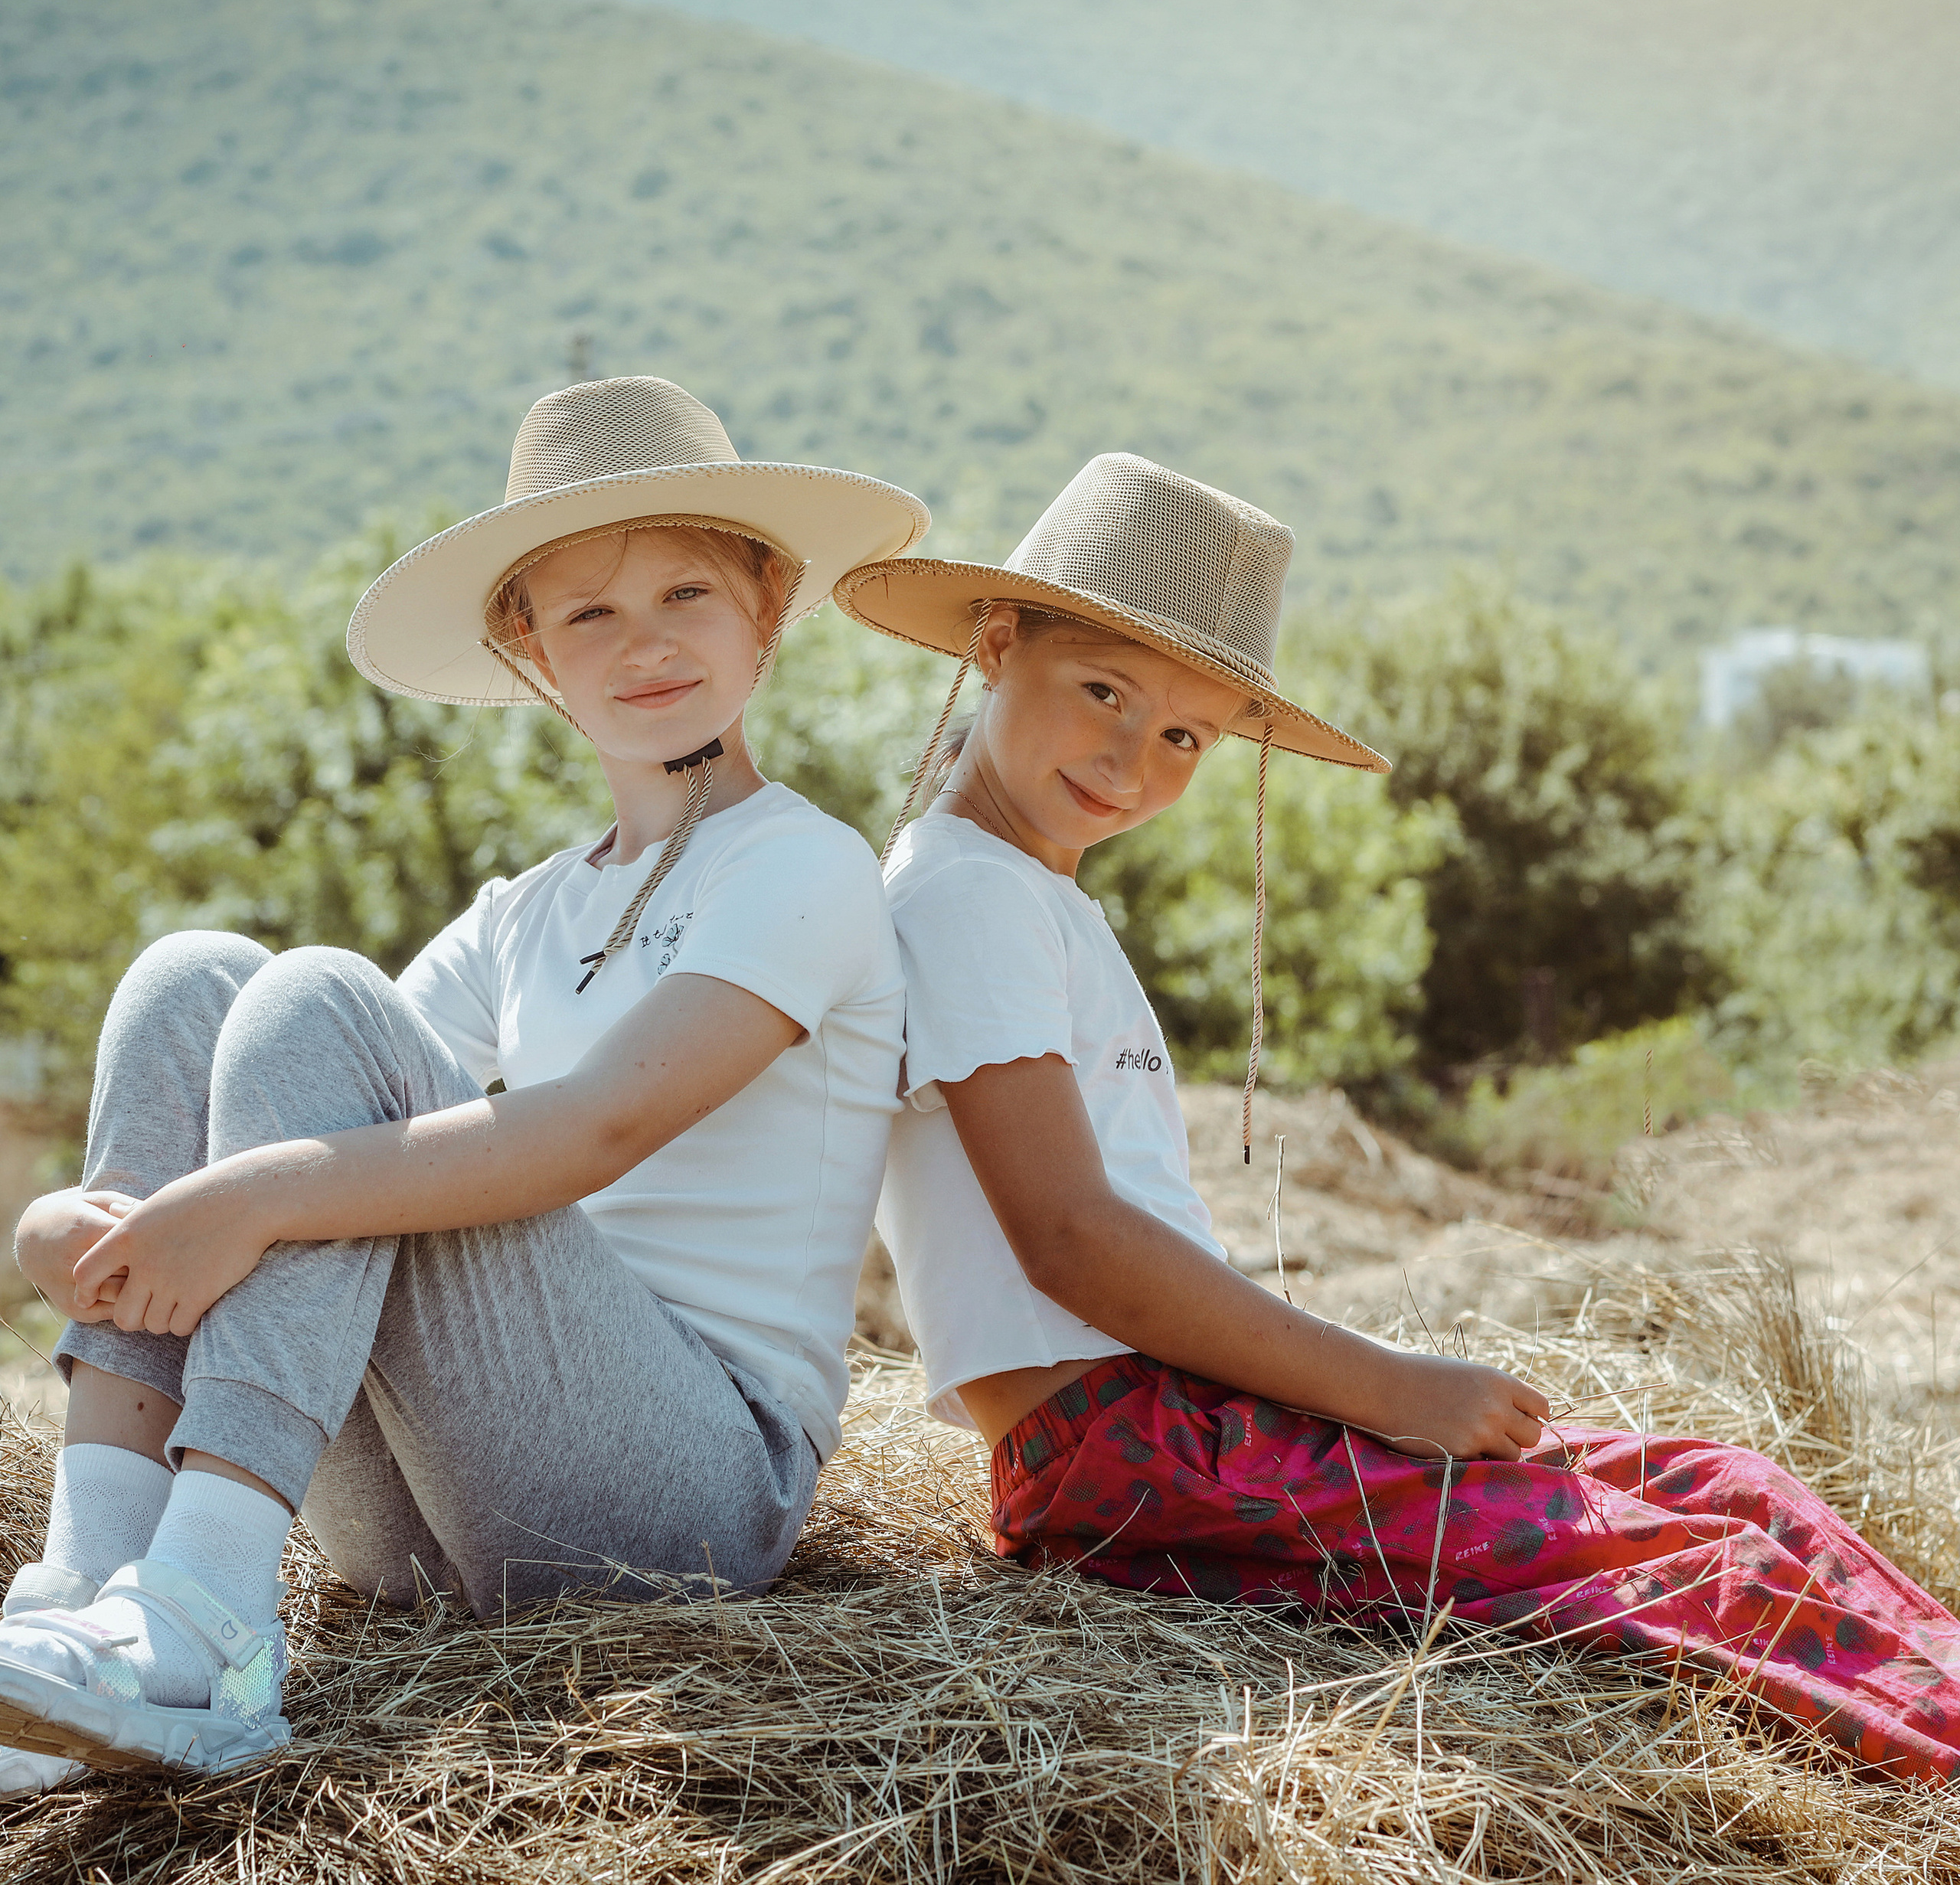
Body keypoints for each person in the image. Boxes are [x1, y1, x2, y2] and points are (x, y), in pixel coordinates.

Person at [835, 451, 1960, 1786]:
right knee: (1705, 1570)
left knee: (1731, 1489)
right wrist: (1394, 1388)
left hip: (1171, 1424)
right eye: (1103, 694)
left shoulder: (1024, 893)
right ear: (998, 641)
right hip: (1122, 1452)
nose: (1134, 759)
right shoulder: (967, 898)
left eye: (1187, 734)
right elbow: (1071, 1241)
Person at [0, 376, 926, 1789]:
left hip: (689, 1491)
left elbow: (587, 1129)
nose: (646, 645)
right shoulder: (531, 909)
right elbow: (288, 1073)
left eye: (686, 593)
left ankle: (208, 1627)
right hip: (445, 1509)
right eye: (589, 614)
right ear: (529, 647)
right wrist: (86, 1220)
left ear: (770, 598)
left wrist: (240, 1206)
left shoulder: (805, 865)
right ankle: (94, 1594)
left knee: (316, 994)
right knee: (196, 978)